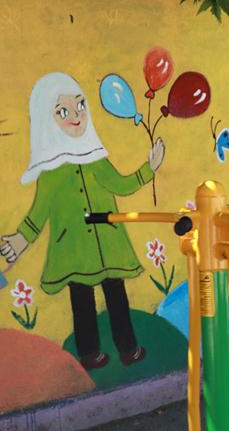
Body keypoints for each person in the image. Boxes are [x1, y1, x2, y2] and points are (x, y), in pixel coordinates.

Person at [0, 72, 165, 370]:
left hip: (108, 243)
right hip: (73, 248)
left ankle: (128, 348)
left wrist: (148, 169)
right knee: (81, 300)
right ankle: (89, 354)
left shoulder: (96, 159)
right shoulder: (50, 173)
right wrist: (20, 239)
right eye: (63, 112)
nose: (76, 116)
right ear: (47, 120)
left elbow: (121, 185)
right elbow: (38, 213)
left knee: (116, 295)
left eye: (80, 106)